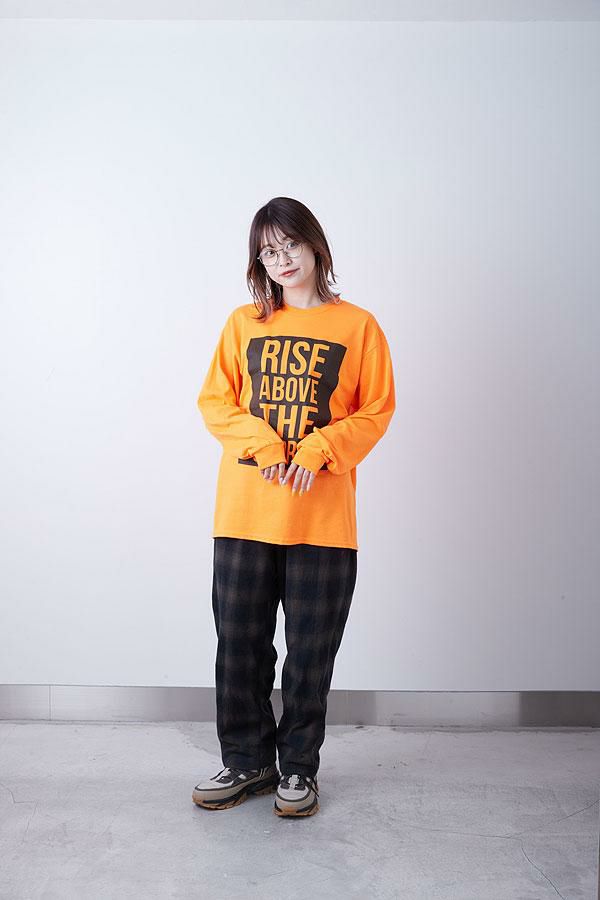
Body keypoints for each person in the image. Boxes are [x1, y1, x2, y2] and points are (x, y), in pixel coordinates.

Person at [192, 196, 396, 817]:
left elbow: (376, 410)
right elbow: (215, 402)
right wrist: (265, 444)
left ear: (315, 246)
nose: (281, 260)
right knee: (240, 647)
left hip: (322, 522)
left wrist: (318, 448)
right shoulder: (243, 324)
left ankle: (299, 770)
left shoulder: (358, 327)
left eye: (290, 246)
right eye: (268, 252)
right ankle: (247, 762)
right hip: (244, 515)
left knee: (310, 656)